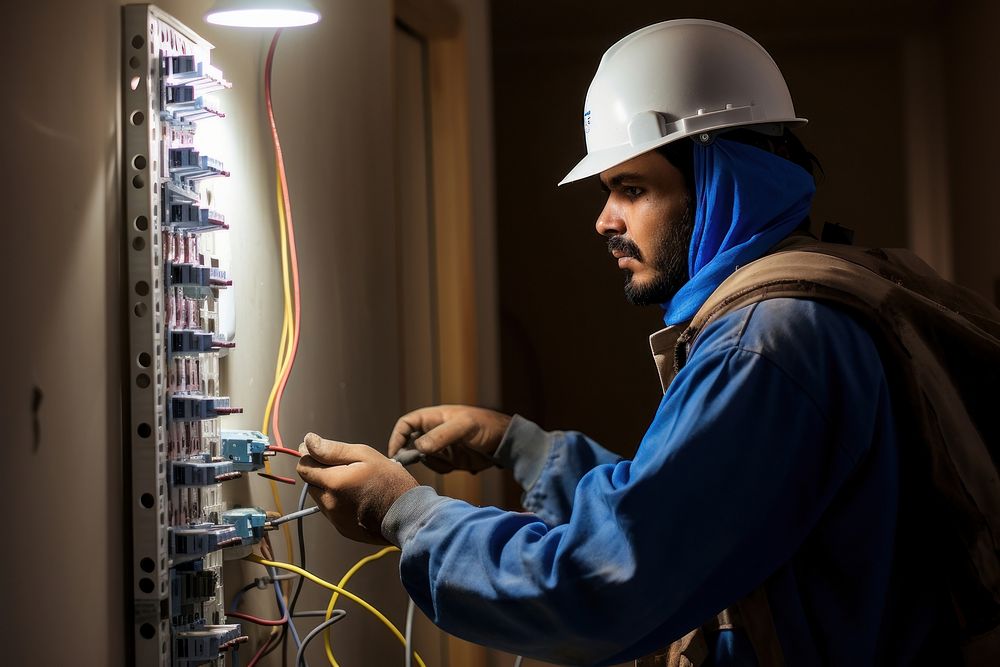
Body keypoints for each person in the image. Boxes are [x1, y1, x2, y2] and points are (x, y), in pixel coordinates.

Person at [297, 19, 970, 666]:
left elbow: (601, 586)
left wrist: (405, 511)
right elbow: (687, 513)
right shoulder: (817, 299)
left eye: (632, 187)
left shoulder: (766, 343)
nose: (603, 220)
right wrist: (521, 446)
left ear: (720, 182)